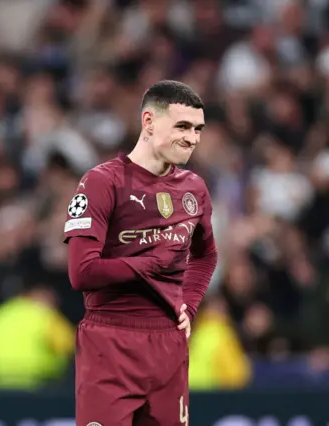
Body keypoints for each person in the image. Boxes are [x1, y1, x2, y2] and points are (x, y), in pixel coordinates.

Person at [64, 80, 217, 426]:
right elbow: (81, 272)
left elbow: (206, 255)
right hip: (110, 340)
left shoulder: (194, 188)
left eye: (198, 129)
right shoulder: (102, 182)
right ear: (148, 122)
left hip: (168, 343)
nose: (192, 138)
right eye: (182, 126)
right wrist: (148, 264)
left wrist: (190, 307)